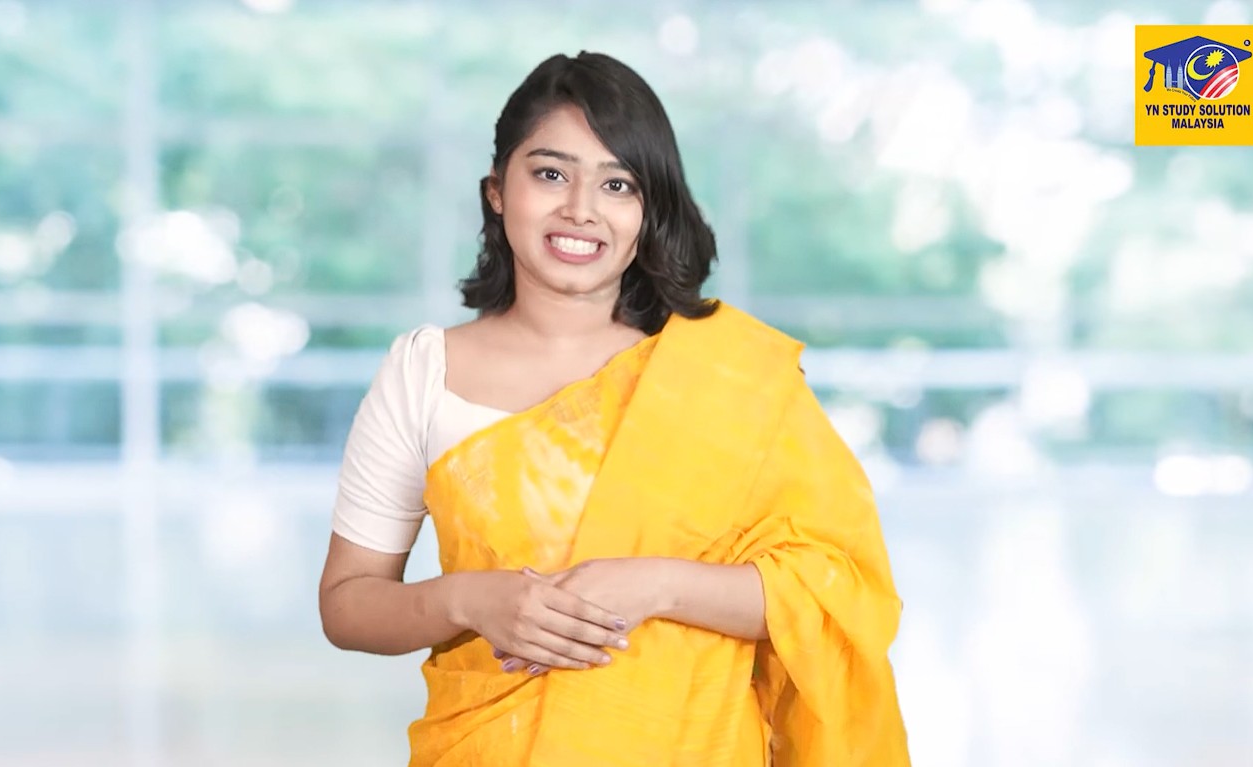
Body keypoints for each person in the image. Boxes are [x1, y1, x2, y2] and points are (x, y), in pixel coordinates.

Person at [318, 51, 909, 766]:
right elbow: (348, 602)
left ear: (647, 208)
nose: (580, 209)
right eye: (550, 173)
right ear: (497, 191)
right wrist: (467, 600)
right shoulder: (424, 370)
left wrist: (658, 585)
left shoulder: (724, 373)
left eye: (617, 183)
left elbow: (837, 592)